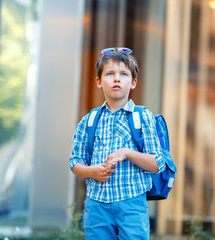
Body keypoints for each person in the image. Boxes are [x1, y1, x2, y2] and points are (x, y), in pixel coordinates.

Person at [69, 47, 166, 240]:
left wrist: (127, 152)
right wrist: (91, 172)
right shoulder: (89, 120)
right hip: (96, 205)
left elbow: (157, 164)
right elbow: (75, 162)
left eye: (124, 74)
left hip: (132, 203)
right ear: (99, 81)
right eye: (110, 74)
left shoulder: (143, 117)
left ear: (133, 82)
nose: (116, 79)